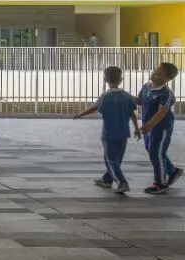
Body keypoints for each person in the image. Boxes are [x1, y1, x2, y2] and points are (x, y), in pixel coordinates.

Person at [73, 65, 141, 193]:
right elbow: (132, 113)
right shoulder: (127, 96)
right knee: (117, 158)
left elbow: (94, 108)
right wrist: (137, 129)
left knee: (110, 159)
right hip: (124, 133)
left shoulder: (105, 96)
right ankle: (107, 179)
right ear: (121, 80)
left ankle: (122, 182)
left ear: (105, 79)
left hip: (109, 133)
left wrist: (80, 114)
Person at [137, 61, 182, 194]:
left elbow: (162, 112)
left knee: (155, 153)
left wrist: (148, 125)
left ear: (167, 79)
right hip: (148, 125)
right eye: (154, 71)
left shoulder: (166, 93)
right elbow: (140, 101)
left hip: (161, 127)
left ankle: (160, 183)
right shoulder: (146, 87)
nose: (154, 74)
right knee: (151, 150)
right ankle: (172, 171)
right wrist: (125, 97)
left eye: (158, 74)